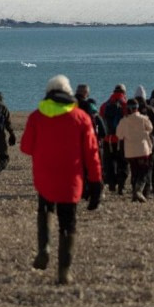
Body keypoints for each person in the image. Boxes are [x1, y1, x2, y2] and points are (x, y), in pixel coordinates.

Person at [20, 75, 102, 285]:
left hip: (45, 176)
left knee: (45, 209)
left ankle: (44, 248)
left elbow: (26, 147)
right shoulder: (81, 118)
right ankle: (63, 271)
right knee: (68, 222)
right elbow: (92, 154)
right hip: (71, 179)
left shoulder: (36, 117)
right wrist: (96, 183)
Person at [116, 98, 154, 202]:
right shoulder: (143, 118)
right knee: (143, 171)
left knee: (135, 171)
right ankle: (138, 190)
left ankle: (134, 193)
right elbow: (150, 128)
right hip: (143, 149)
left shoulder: (124, 121)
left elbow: (119, 135)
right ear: (137, 108)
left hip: (130, 151)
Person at [75, 84, 105, 199]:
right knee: (88, 166)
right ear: (85, 93)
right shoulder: (87, 105)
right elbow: (91, 124)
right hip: (85, 140)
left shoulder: (68, 104)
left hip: (71, 140)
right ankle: (86, 190)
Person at [99, 84, 129, 194]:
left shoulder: (104, 105)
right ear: (124, 92)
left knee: (109, 162)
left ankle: (111, 183)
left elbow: (101, 121)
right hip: (122, 139)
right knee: (123, 163)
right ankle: (121, 186)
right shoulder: (126, 105)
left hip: (108, 139)